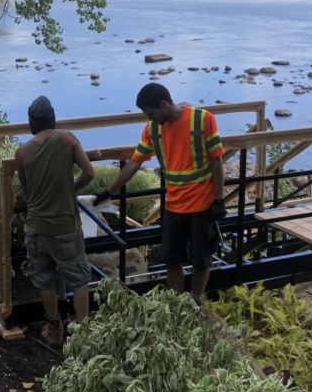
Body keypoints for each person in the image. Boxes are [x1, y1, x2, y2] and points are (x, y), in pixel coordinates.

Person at [96, 83, 225, 305]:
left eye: (151, 113)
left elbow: (217, 159)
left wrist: (219, 199)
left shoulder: (203, 119)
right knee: (171, 259)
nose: (150, 119)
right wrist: (109, 191)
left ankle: (195, 301)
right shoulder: (153, 129)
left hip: (202, 204)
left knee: (200, 259)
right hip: (174, 205)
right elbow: (134, 163)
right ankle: (176, 305)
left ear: (164, 104)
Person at [14, 95, 95, 346]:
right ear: (53, 119)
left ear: (31, 123)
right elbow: (89, 172)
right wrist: (71, 188)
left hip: (36, 227)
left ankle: (54, 330)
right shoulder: (67, 139)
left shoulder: (21, 152)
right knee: (79, 279)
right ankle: (82, 336)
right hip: (65, 226)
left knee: (43, 280)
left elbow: (27, 192)